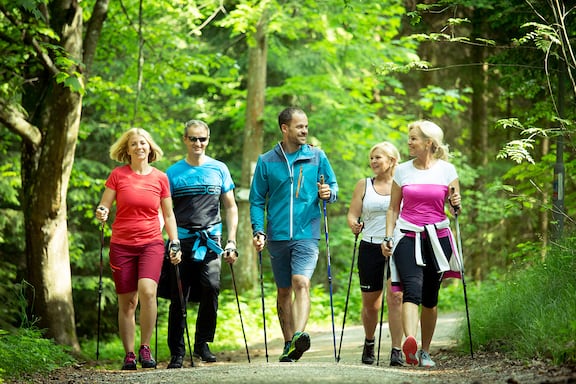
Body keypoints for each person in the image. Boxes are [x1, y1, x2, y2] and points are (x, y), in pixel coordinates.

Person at [250, 107, 338, 363]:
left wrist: (328, 193)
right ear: (285, 128)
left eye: (306, 126)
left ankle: (299, 335)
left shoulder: (317, 156)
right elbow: (256, 200)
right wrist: (259, 230)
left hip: (307, 232)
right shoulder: (266, 161)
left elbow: (333, 187)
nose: (305, 131)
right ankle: (289, 343)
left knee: (301, 282)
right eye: (299, 126)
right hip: (277, 235)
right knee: (284, 290)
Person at [95, 127, 181, 370]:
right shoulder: (118, 175)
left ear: (150, 147)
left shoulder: (160, 178)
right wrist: (102, 213)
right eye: (134, 144)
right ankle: (130, 353)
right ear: (127, 149)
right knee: (128, 303)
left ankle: (145, 347)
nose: (139, 147)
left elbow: (168, 214)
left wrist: (174, 241)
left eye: (143, 143)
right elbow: (104, 205)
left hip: (151, 243)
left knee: (147, 291)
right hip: (121, 245)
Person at [382, 120, 462, 368]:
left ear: (429, 143)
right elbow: (393, 208)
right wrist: (388, 237)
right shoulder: (403, 171)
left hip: (438, 238)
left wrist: (456, 204)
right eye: (409, 138)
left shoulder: (447, 171)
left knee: (430, 297)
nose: (409, 142)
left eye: (414, 138)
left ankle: (425, 351)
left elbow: (454, 208)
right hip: (407, 235)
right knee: (411, 289)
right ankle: (411, 342)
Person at [162, 119, 239, 368]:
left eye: (202, 139)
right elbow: (164, 211)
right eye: (193, 138)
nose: (198, 143)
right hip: (181, 241)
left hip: (211, 241)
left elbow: (231, 207)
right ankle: (177, 352)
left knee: (211, 286)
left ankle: (202, 344)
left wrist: (231, 241)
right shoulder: (172, 173)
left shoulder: (219, 169)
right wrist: (169, 242)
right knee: (179, 296)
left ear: (208, 140)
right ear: (185, 140)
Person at [346, 141, 405, 366]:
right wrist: (353, 224)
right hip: (370, 246)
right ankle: (370, 342)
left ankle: (396, 350)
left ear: (391, 160)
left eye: (378, 157)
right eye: (372, 158)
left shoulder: (402, 184)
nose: (373, 161)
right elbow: (352, 214)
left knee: (396, 297)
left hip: (397, 246)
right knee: (371, 304)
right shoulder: (364, 184)